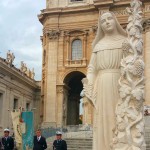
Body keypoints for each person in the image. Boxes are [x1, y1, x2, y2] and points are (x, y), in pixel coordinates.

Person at [82, 12, 126, 150]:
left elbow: (130, 64)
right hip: (101, 85)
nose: (107, 22)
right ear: (100, 26)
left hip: (120, 84)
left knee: (118, 116)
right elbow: (92, 68)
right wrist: (88, 83)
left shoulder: (124, 42)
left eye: (109, 19)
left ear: (115, 21)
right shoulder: (98, 45)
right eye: (103, 21)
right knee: (102, 118)